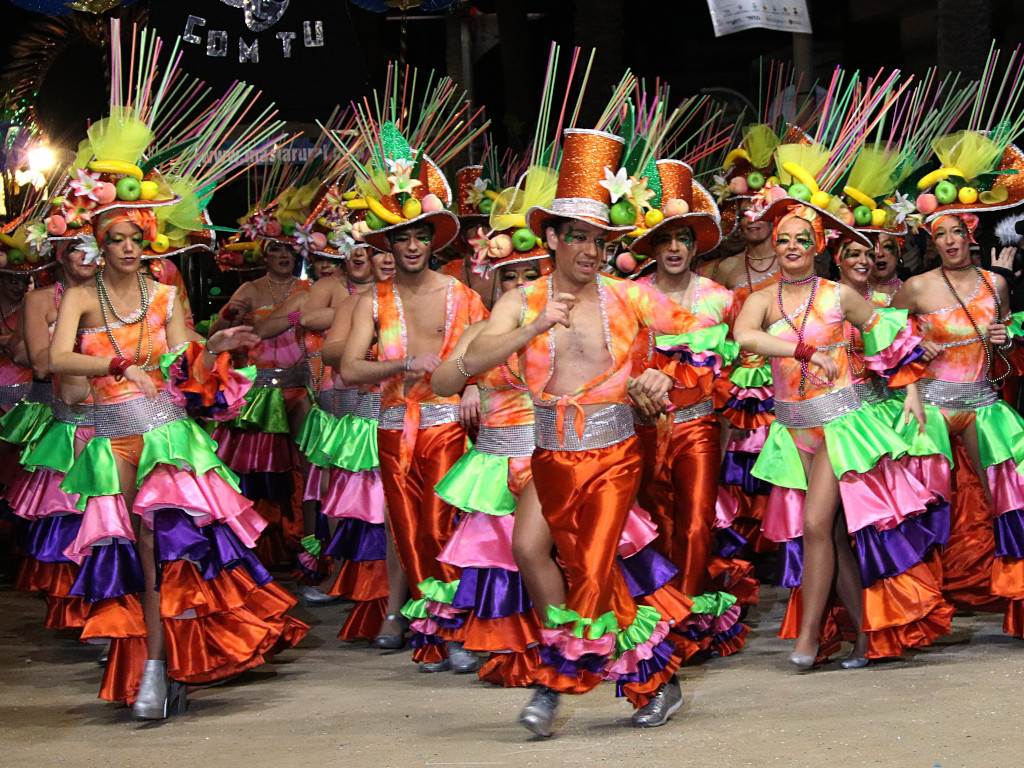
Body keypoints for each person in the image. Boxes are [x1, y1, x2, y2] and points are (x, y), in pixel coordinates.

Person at [463, 128, 735, 735]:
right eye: (579, 237)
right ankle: (654, 678)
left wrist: (662, 381)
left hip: (614, 454)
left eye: (601, 239)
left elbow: (695, 345)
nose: (591, 249)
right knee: (530, 549)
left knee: (592, 564)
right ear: (552, 238)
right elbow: (457, 370)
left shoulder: (629, 297)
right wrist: (529, 332)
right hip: (550, 455)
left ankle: (553, 685)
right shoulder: (522, 301)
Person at [50, 205, 308, 718]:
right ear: (100, 246)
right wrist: (118, 363)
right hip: (110, 437)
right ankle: (150, 662)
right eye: (117, 239)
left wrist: (213, 344)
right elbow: (56, 359)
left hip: (164, 434)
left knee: (156, 546)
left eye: (135, 239)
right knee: (123, 551)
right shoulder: (80, 296)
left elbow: (180, 358)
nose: (128, 248)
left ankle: (158, 667)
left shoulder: (164, 295)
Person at [735, 199, 952, 668]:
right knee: (832, 537)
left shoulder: (839, 295)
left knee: (814, 526)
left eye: (802, 239)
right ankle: (865, 637)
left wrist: (911, 388)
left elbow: (889, 336)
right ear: (775, 245)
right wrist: (801, 349)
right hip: (794, 430)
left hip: (842, 425)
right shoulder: (763, 298)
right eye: (784, 239)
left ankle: (808, 638)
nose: (792, 246)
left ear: (817, 246)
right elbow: (745, 337)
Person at [340, 133, 488, 673]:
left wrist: (472, 385)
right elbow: (350, 367)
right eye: (401, 237)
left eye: (420, 236)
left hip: (447, 424)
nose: (411, 246)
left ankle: (455, 630)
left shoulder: (461, 295)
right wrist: (402, 365)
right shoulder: (370, 302)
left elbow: (487, 354)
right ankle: (432, 632)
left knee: (442, 524)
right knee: (405, 531)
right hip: (392, 425)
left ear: (432, 241)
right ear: (388, 243)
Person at [628, 159, 757, 609]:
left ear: (695, 245)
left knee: (698, 519)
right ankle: (655, 611)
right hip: (644, 425)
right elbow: (618, 361)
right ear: (653, 248)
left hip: (700, 425)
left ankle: (688, 608)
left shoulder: (720, 299)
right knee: (652, 517)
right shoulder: (632, 297)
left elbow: (741, 363)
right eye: (665, 239)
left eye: (683, 238)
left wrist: (734, 419)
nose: (675, 248)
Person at [894, 212, 1024, 633]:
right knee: (925, 509)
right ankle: (920, 614)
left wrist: (1004, 341)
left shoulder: (996, 283)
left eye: (957, 232)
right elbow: (884, 342)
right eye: (940, 235)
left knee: (1010, 502)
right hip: (932, 409)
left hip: (984, 404)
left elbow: (1000, 360)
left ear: (970, 236)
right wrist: (915, 347)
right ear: (932, 243)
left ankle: (1017, 606)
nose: (950, 241)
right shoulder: (916, 287)